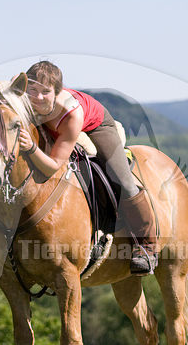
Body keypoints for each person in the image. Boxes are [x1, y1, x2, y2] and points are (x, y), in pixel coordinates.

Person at [19, 61, 157, 275]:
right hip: (55, 126)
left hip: (96, 124)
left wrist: (30, 148)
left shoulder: (70, 114)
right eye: (33, 90)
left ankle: (147, 246)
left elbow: (53, 167)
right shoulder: (21, 94)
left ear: (56, 93)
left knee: (123, 181)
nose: (37, 97)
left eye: (45, 92)